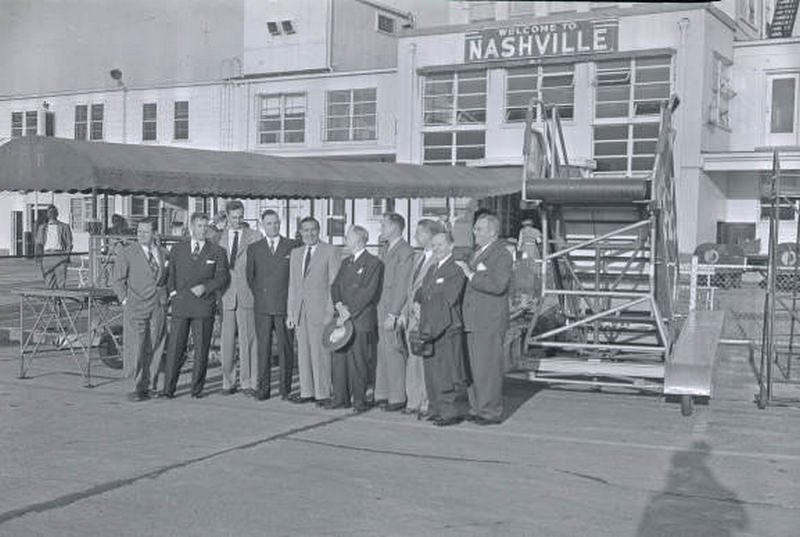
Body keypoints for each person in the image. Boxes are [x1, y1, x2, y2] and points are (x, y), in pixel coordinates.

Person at [161, 213, 230, 399]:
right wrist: (173, 295)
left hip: (203, 305)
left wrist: (206, 287)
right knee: (175, 347)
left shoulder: (217, 251)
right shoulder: (177, 249)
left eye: (205, 226)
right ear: (192, 227)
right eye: (199, 226)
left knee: (201, 349)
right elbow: (170, 274)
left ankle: (196, 389)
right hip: (181, 305)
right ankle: (168, 388)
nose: (203, 229)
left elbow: (223, 277)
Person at [456, 213, 513, 425]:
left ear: (492, 232)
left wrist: (471, 275)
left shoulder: (501, 255)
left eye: (479, 229)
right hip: (472, 320)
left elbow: (498, 285)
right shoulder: (477, 253)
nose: (475, 232)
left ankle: (490, 411)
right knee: (474, 368)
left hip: (488, 321)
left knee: (487, 368)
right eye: (475, 228)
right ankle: (476, 406)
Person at [111, 218, 169, 401]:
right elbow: (117, 280)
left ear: (154, 234)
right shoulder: (127, 253)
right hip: (136, 305)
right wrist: (125, 300)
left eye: (146, 231)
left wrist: (168, 296)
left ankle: (150, 385)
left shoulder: (162, 253)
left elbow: (167, 277)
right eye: (139, 231)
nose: (141, 234)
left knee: (155, 345)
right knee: (136, 346)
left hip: (158, 306)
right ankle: (135, 386)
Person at [415, 231, 469, 427]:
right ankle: (435, 408)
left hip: (446, 328)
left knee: (446, 372)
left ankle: (449, 412)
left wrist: (433, 327)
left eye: (440, 245)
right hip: (430, 328)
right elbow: (423, 294)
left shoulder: (455, 269)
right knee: (431, 372)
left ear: (451, 246)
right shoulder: (432, 269)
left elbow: (449, 299)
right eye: (434, 245)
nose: (436, 248)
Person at [286, 216, 341, 406]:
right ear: (300, 233)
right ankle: (306, 391)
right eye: (305, 230)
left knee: (321, 354)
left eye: (313, 230)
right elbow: (293, 285)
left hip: (321, 311)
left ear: (319, 230)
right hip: (300, 311)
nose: (309, 234)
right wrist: (291, 313)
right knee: (303, 352)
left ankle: (323, 393)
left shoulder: (330, 251)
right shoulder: (296, 253)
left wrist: (330, 312)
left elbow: (334, 284)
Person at [329, 225, 384, 413]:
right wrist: (338, 305)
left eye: (348, 236)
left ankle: (359, 400)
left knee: (358, 361)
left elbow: (368, 292)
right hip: (343, 317)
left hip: (359, 318)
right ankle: (340, 397)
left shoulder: (373, 262)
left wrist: (349, 311)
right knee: (339, 358)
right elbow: (335, 286)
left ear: (360, 239)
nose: (345, 239)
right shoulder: (346, 262)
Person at [246, 209, 299, 400]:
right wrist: (261, 296)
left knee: (286, 349)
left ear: (280, 223)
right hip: (263, 306)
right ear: (262, 225)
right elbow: (250, 277)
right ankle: (263, 389)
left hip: (285, 306)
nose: (273, 226)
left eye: (276, 222)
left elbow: (296, 277)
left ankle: (285, 390)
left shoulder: (292, 246)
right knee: (263, 349)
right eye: (269, 223)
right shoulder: (254, 248)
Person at [399, 219, 444, 418]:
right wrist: (403, 311)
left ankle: (427, 401)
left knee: (425, 360)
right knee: (412, 359)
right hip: (411, 315)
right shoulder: (418, 257)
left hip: (426, 316)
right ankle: (413, 399)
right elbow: (409, 289)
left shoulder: (437, 258)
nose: (416, 236)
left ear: (431, 235)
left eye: (420, 233)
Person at [218, 200, 261, 395]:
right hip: (227, 295)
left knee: (248, 340)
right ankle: (228, 382)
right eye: (233, 217)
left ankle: (248, 382)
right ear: (227, 216)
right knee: (226, 342)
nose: (237, 220)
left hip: (247, 294)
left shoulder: (255, 237)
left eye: (240, 216)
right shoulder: (219, 237)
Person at [374, 212, 416, 412]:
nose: (381, 228)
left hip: (390, 307)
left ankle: (397, 396)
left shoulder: (404, 251)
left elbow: (401, 284)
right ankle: (383, 392)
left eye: (384, 225)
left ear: (395, 227)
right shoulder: (386, 248)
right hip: (380, 306)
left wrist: (394, 312)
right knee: (383, 351)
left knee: (394, 352)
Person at [35, 205, 73, 288]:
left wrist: (66, 255)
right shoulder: (42, 227)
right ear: (47, 214)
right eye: (50, 212)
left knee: (61, 281)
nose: (52, 214)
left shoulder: (64, 227)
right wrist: (39, 257)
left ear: (57, 214)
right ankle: (52, 300)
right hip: (47, 256)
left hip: (60, 255)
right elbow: (39, 243)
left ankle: (60, 300)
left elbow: (69, 243)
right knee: (49, 281)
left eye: (54, 212)